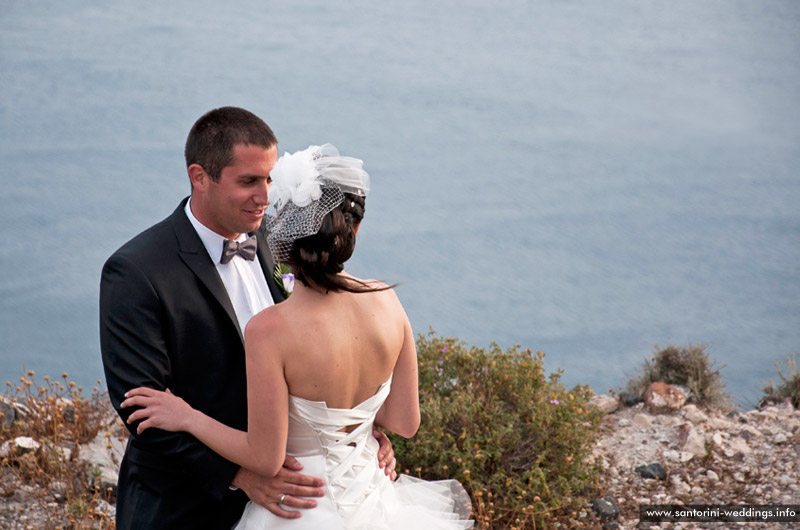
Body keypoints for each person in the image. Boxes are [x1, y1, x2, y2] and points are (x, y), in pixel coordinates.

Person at [121, 144, 474, 529]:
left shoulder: (271, 329)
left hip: (298, 508)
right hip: (376, 505)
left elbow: (265, 458)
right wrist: (357, 432)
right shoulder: (386, 299)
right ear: (353, 230)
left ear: (284, 236)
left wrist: (187, 417)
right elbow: (404, 422)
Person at [99, 109, 395, 530]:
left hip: (294, 504)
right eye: (248, 182)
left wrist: (355, 433)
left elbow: (319, 337)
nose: (266, 196)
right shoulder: (135, 272)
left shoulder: (278, 240)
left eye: (270, 179)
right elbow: (142, 411)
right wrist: (240, 477)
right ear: (200, 177)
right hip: (187, 507)